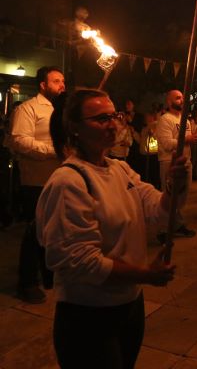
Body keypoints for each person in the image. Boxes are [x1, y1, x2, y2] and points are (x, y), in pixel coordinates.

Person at [36, 89, 186, 369]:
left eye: (114, 116)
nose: (112, 124)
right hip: (88, 314)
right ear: (75, 128)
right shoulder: (69, 182)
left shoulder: (120, 169)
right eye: (101, 118)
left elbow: (156, 209)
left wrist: (173, 186)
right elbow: (81, 261)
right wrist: (145, 274)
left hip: (129, 303)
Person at [10, 66, 65, 303]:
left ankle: (48, 274)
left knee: (53, 230)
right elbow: (19, 141)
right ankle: (27, 282)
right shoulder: (28, 108)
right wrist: (53, 151)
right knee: (35, 230)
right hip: (36, 179)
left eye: (63, 81)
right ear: (43, 85)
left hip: (58, 177)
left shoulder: (60, 111)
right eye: (56, 81)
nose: (62, 85)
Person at [155, 90, 197, 243]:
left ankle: (177, 225)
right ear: (169, 102)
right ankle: (162, 229)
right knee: (169, 196)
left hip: (186, 161)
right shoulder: (165, 120)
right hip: (170, 162)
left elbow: (187, 140)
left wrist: (191, 140)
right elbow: (167, 144)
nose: (182, 100)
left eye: (183, 98)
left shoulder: (185, 121)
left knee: (181, 198)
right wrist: (187, 139)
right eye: (178, 98)